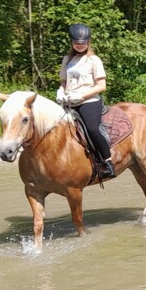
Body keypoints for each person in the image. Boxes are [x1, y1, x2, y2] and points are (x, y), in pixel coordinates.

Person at [57, 24, 115, 179]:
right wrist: (61, 91)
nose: (80, 46)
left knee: (92, 129)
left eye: (83, 43)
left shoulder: (94, 60)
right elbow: (64, 81)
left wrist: (82, 96)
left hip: (89, 101)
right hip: (69, 101)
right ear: (72, 43)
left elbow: (101, 86)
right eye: (77, 43)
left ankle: (107, 162)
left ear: (88, 43)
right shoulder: (67, 60)